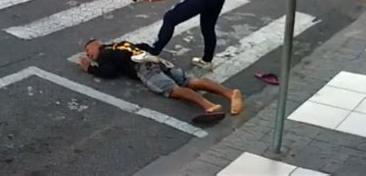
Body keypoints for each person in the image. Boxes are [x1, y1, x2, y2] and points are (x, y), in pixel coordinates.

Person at [78, 39, 244, 118]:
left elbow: (109, 72)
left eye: (88, 50)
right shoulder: (121, 44)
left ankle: (208, 105)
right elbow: (144, 46)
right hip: (156, 60)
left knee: (172, 89)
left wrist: (90, 68)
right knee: (189, 81)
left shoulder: (104, 54)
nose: (88, 54)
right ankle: (230, 94)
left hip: (142, 67)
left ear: (97, 45)